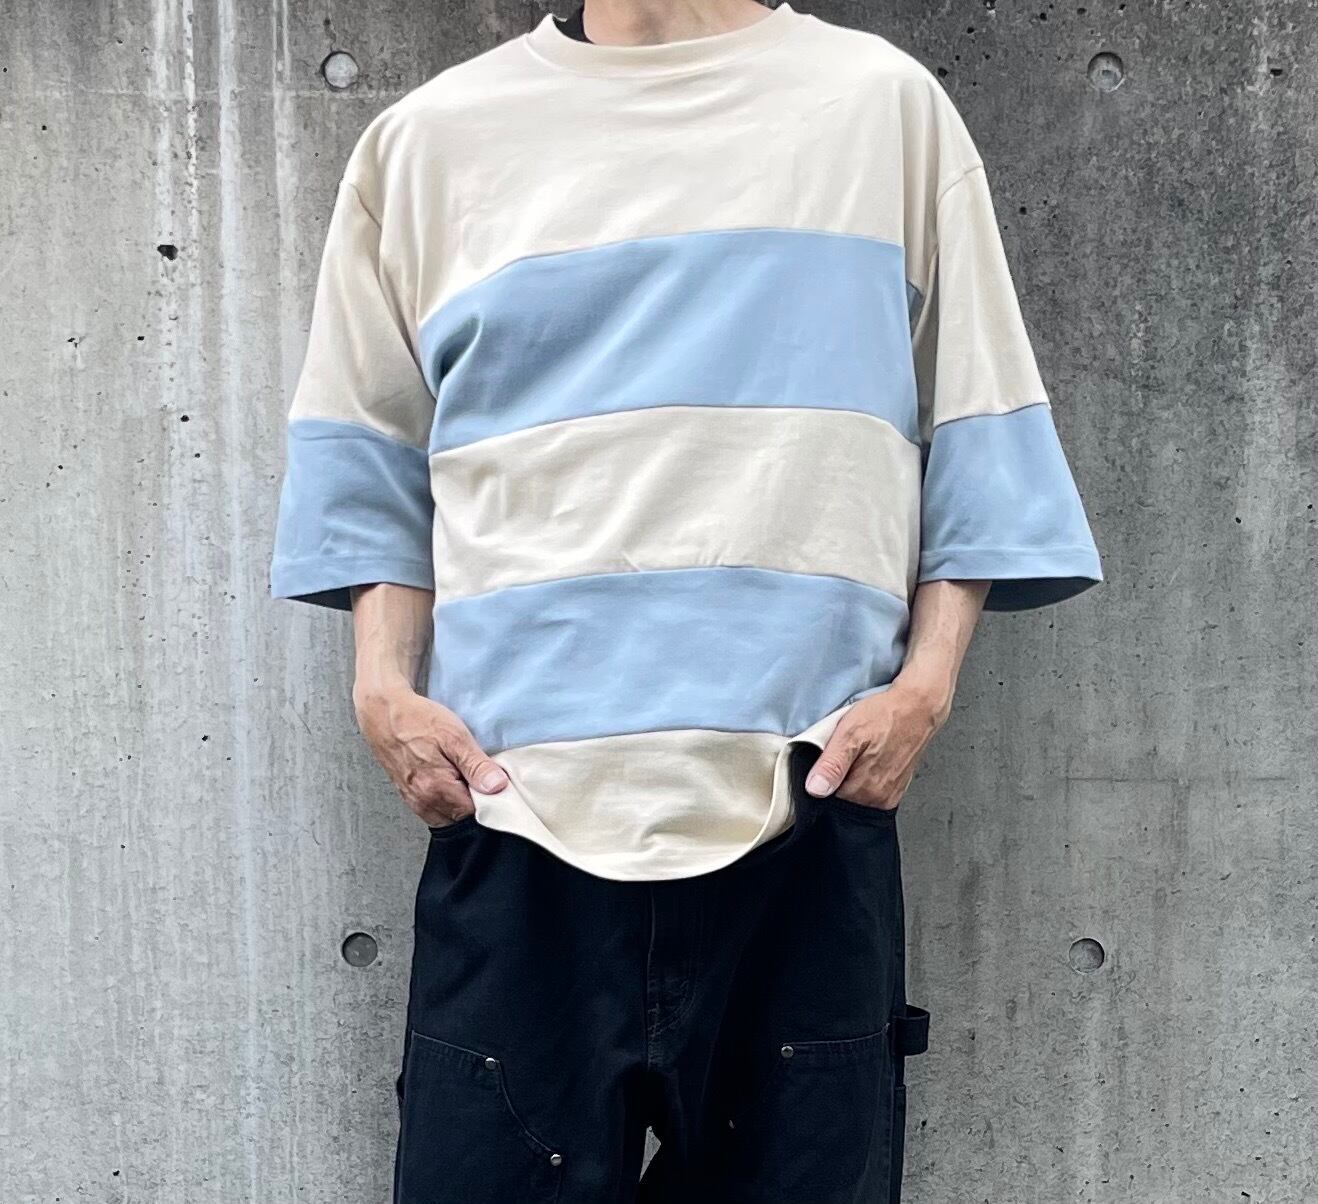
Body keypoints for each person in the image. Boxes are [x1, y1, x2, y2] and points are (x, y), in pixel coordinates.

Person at [269, 1, 1103, 1199]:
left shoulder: (879, 108)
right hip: (513, 815)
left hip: (803, 803)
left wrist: (925, 687)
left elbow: (979, 411)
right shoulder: (428, 142)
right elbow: (368, 458)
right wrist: (381, 690)